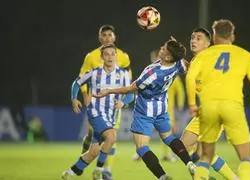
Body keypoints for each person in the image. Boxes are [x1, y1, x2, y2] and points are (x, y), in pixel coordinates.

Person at [95, 39, 196, 180]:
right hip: (161, 109)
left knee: (141, 147)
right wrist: (177, 48)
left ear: (168, 57)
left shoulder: (152, 74)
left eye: (164, 49)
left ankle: (162, 176)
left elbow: (131, 88)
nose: (161, 48)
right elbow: (188, 65)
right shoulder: (177, 64)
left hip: (145, 112)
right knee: (170, 138)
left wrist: (109, 91)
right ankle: (190, 163)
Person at [186, 19, 250, 180]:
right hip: (232, 106)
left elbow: (190, 78)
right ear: (233, 37)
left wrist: (191, 103)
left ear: (214, 37)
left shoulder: (205, 55)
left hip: (208, 107)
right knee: (245, 157)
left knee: (205, 156)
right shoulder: (245, 55)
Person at [61, 44, 134, 180]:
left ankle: (69, 173)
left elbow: (131, 94)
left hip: (111, 116)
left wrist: (123, 103)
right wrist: (73, 99)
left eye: (113, 53)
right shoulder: (94, 73)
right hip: (95, 112)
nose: (110, 56)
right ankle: (99, 170)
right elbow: (77, 83)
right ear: (102, 57)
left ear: (117, 56)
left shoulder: (123, 74)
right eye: (106, 54)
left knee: (93, 151)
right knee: (111, 137)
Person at [180, 28, 237, 179]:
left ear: (207, 43)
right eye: (192, 37)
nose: (193, 41)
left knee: (191, 150)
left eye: (198, 38)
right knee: (194, 150)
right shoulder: (197, 61)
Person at [79, 24, 132, 179]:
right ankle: (84, 156)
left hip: (114, 104)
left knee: (111, 136)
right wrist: (86, 98)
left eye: (110, 35)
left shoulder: (123, 56)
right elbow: (82, 79)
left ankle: (106, 170)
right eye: (104, 35)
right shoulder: (91, 57)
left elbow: (128, 82)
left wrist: (125, 100)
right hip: (96, 105)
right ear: (99, 37)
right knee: (91, 135)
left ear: (114, 37)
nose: (107, 37)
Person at [132, 49, 186, 162]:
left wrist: (180, 104)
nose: (155, 60)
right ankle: (141, 152)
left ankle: (167, 154)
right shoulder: (150, 72)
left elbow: (180, 91)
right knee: (146, 131)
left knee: (167, 132)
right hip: (148, 107)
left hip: (165, 108)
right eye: (153, 58)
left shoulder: (171, 73)